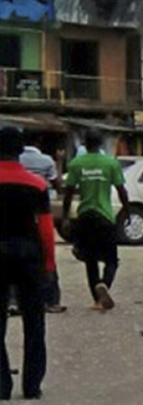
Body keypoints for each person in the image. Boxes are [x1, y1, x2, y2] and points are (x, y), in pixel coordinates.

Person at [0, 128, 48, 399]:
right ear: (20, 151)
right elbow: (46, 229)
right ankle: (31, 386)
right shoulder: (36, 184)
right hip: (29, 253)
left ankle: (2, 385)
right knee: (34, 321)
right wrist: (49, 265)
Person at [64, 131, 129, 311]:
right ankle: (104, 285)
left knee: (90, 260)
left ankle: (97, 299)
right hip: (105, 215)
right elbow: (121, 190)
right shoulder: (111, 163)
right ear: (100, 144)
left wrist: (66, 217)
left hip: (85, 215)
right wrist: (127, 210)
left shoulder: (76, 164)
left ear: (85, 144)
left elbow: (68, 193)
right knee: (112, 260)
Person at [19, 137, 65, 313]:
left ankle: (14, 302)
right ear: (39, 144)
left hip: (15, 217)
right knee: (45, 256)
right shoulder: (46, 161)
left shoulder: (16, 160)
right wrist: (59, 162)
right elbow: (58, 184)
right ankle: (51, 301)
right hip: (40, 213)